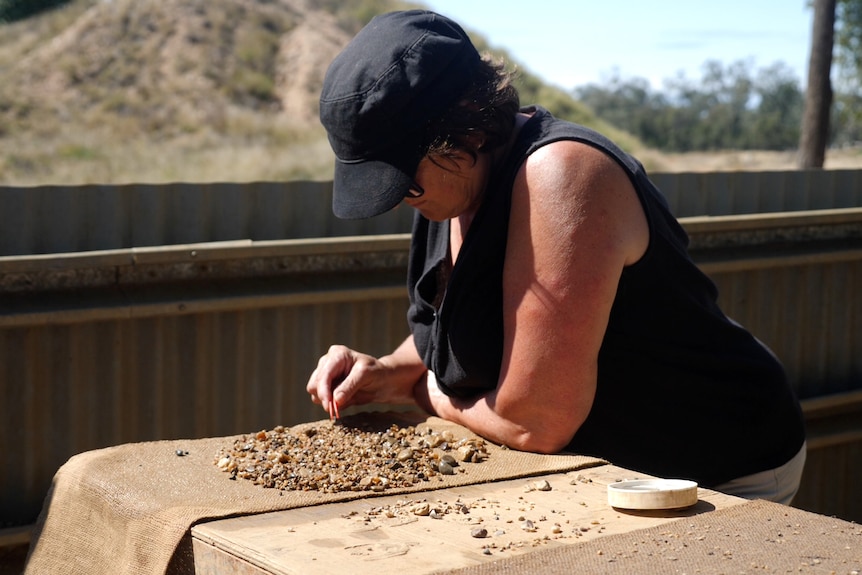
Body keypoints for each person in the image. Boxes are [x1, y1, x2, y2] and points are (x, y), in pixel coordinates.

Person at [307, 10, 807, 504]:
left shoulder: (563, 177)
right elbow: (470, 319)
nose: (398, 199)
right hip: (615, 467)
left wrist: (427, 392)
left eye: (403, 182)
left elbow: (534, 422)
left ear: (468, 132)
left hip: (718, 467)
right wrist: (391, 369)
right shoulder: (452, 184)